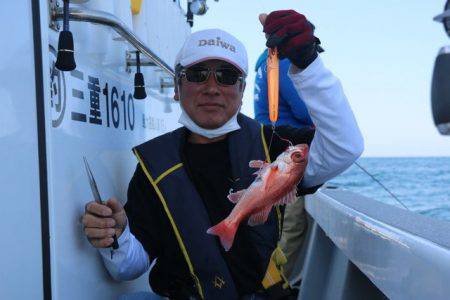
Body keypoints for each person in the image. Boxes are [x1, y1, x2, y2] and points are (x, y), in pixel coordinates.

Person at [82, 10, 364, 300]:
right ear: (177, 88)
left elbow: (345, 147)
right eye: (197, 74)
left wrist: (308, 63)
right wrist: (114, 237)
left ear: (242, 91)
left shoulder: (275, 146)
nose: (212, 88)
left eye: (227, 76)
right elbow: (130, 266)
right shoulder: (155, 167)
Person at [253, 43, 317, 281]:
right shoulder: (285, 65)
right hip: (289, 152)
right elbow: (304, 111)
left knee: (275, 224)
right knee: (293, 224)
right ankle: (274, 287)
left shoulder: (266, 64)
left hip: (271, 148)